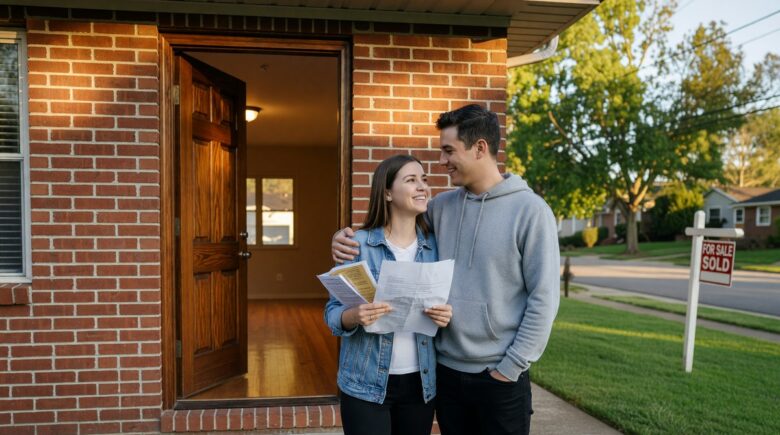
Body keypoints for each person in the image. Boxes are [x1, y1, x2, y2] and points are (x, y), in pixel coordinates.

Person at [332, 104, 560, 435]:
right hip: (446, 374)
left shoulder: (531, 212)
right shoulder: (441, 208)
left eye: (449, 150)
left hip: (499, 375)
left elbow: (544, 299)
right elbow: (392, 226)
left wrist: (511, 367)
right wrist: (341, 238)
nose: (441, 161)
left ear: (480, 148)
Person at [324, 154, 454, 435]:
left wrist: (446, 314)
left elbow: (447, 302)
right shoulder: (357, 245)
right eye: (411, 180)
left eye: (424, 179)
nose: (422, 187)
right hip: (364, 385)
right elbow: (332, 314)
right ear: (386, 193)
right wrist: (353, 316)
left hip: (421, 384)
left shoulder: (436, 246)